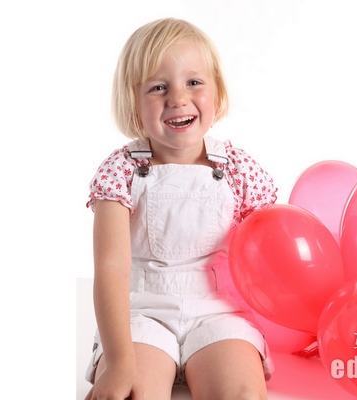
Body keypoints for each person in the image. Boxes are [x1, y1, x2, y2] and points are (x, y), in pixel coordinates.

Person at [84, 18, 277, 400]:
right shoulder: (121, 170)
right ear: (133, 103)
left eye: (193, 82)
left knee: (242, 394)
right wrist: (119, 360)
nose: (177, 99)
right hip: (142, 314)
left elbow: (269, 256)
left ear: (217, 92)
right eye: (158, 87)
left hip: (221, 313)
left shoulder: (239, 168)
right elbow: (111, 268)